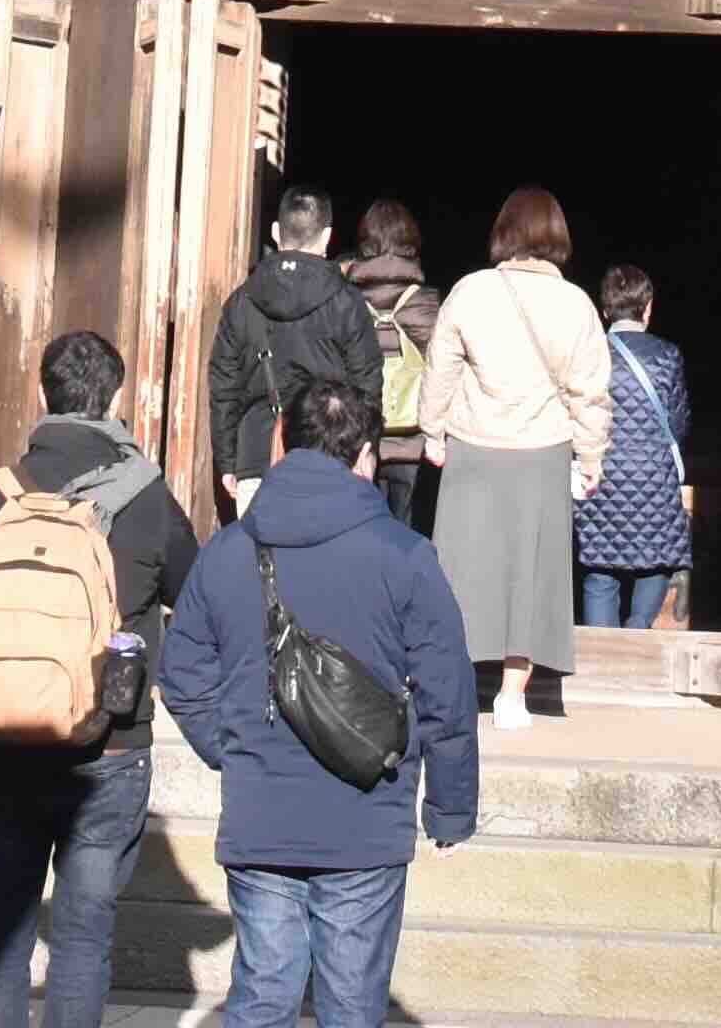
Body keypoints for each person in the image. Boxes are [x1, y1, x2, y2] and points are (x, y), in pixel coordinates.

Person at [161, 375, 479, 1028]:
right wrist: (449, 808)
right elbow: (447, 693)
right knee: (352, 1006)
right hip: (366, 815)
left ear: (282, 443)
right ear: (366, 456)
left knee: (263, 997)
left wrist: (230, 746)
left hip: (261, 813)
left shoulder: (227, 551)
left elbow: (182, 671)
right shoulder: (406, 556)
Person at [0, 330, 196, 1028]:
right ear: (114, 398)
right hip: (110, 742)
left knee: (2, 929)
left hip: (6, 736)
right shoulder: (146, 496)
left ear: (42, 393)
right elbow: (194, 588)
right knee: (83, 941)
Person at [421, 185, 613, 718]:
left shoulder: (471, 291)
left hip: (473, 447)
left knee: (461, 570)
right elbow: (590, 392)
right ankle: (512, 696)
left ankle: (451, 686)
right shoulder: (576, 304)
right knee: (529, 575)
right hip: (542, 451)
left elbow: (441, 368)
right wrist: (591, 457)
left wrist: (432, 432)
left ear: (504, 233)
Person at [207, 187, 388, 502]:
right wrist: (364, 452)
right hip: (331, 458)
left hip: (256, 456)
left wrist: (227, 459)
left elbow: (224, 387)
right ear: (327, 236)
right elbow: (367, 385)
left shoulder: (240, 301)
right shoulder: (347, 302)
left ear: (275, 232)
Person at [574, 263, 694, 635]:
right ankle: (638, 630)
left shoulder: (588, 354)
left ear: (604, 311)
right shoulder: (667, 355)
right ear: (648, 308)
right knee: (656, 560)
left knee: (599, 568)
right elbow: (678, 421)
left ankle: (601, 650)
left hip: (598, 473)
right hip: (653, 476)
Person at [343, 200, 439, 533]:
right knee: (408, 535)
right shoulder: (426, 303)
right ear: (411, 243)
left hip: (361, 443)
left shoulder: (346, 301)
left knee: (363, 535)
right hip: (415, 447)